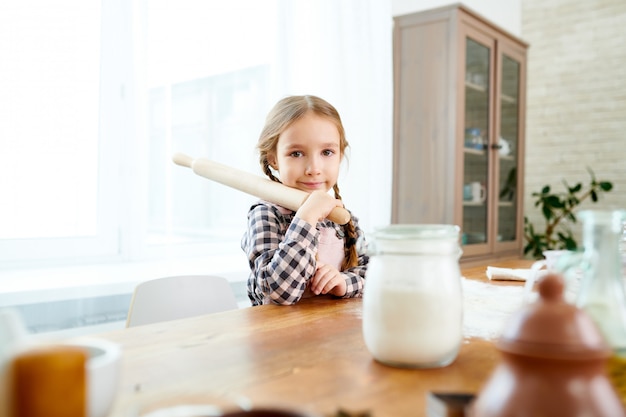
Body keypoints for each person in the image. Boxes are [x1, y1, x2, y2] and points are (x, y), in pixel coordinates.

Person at [241, 95, 368, 306]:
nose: (314, 169)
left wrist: (343, 282)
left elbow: (377, 275)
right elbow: (280, 292)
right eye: (297, 153)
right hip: (279, 334)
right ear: (273, 158)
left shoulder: (342, 217)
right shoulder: (265, 214)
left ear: (340, 155)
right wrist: (307, 217)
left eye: (327, 152)